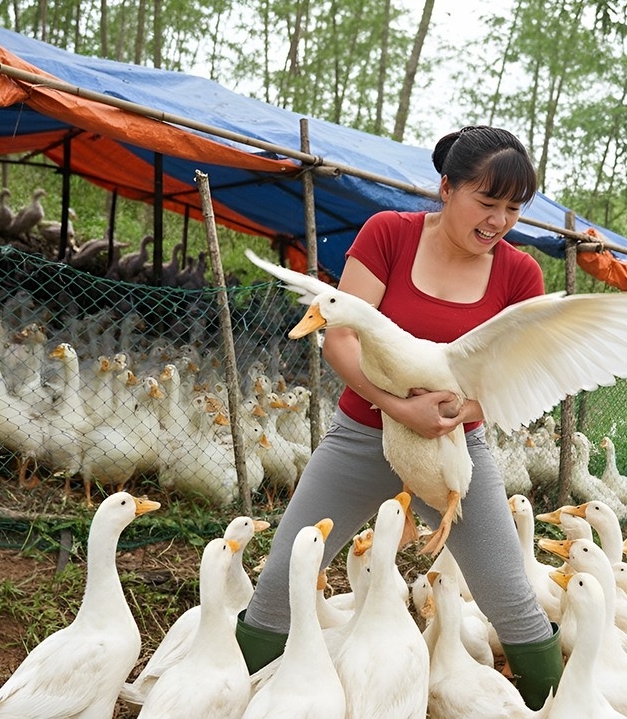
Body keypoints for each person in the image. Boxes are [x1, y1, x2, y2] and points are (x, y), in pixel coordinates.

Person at [236, 125, 562, 709]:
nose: (499, 221)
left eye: (514, 209)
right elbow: (340, 337)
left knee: (509, 597)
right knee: (283, 579)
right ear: (446, 188)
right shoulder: (388, 234)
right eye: (486, 202)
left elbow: (516, 377)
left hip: (453, 450)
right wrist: (396, 405)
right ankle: (227, 698)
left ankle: (562, 702)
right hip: (363, 436)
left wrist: (461, 410)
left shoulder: (520, 275)